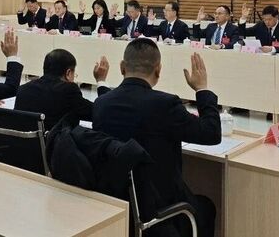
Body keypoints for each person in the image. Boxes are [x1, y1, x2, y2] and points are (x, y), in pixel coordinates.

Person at [93, 39, 220, 237]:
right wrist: (202, 89)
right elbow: (211, 133)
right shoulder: (165, 104)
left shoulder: (101, 104)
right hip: (160, 210)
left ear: (122, 67)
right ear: (158, 70)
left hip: (117, 205)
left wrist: (101, 82)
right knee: (206, 206)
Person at [15, 50, 109, 130]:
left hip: (24, 145)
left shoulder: (23, 89)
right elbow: (103, 112)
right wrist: (101, 81)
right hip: (55, 145)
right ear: (68, 73)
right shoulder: (68, 91)